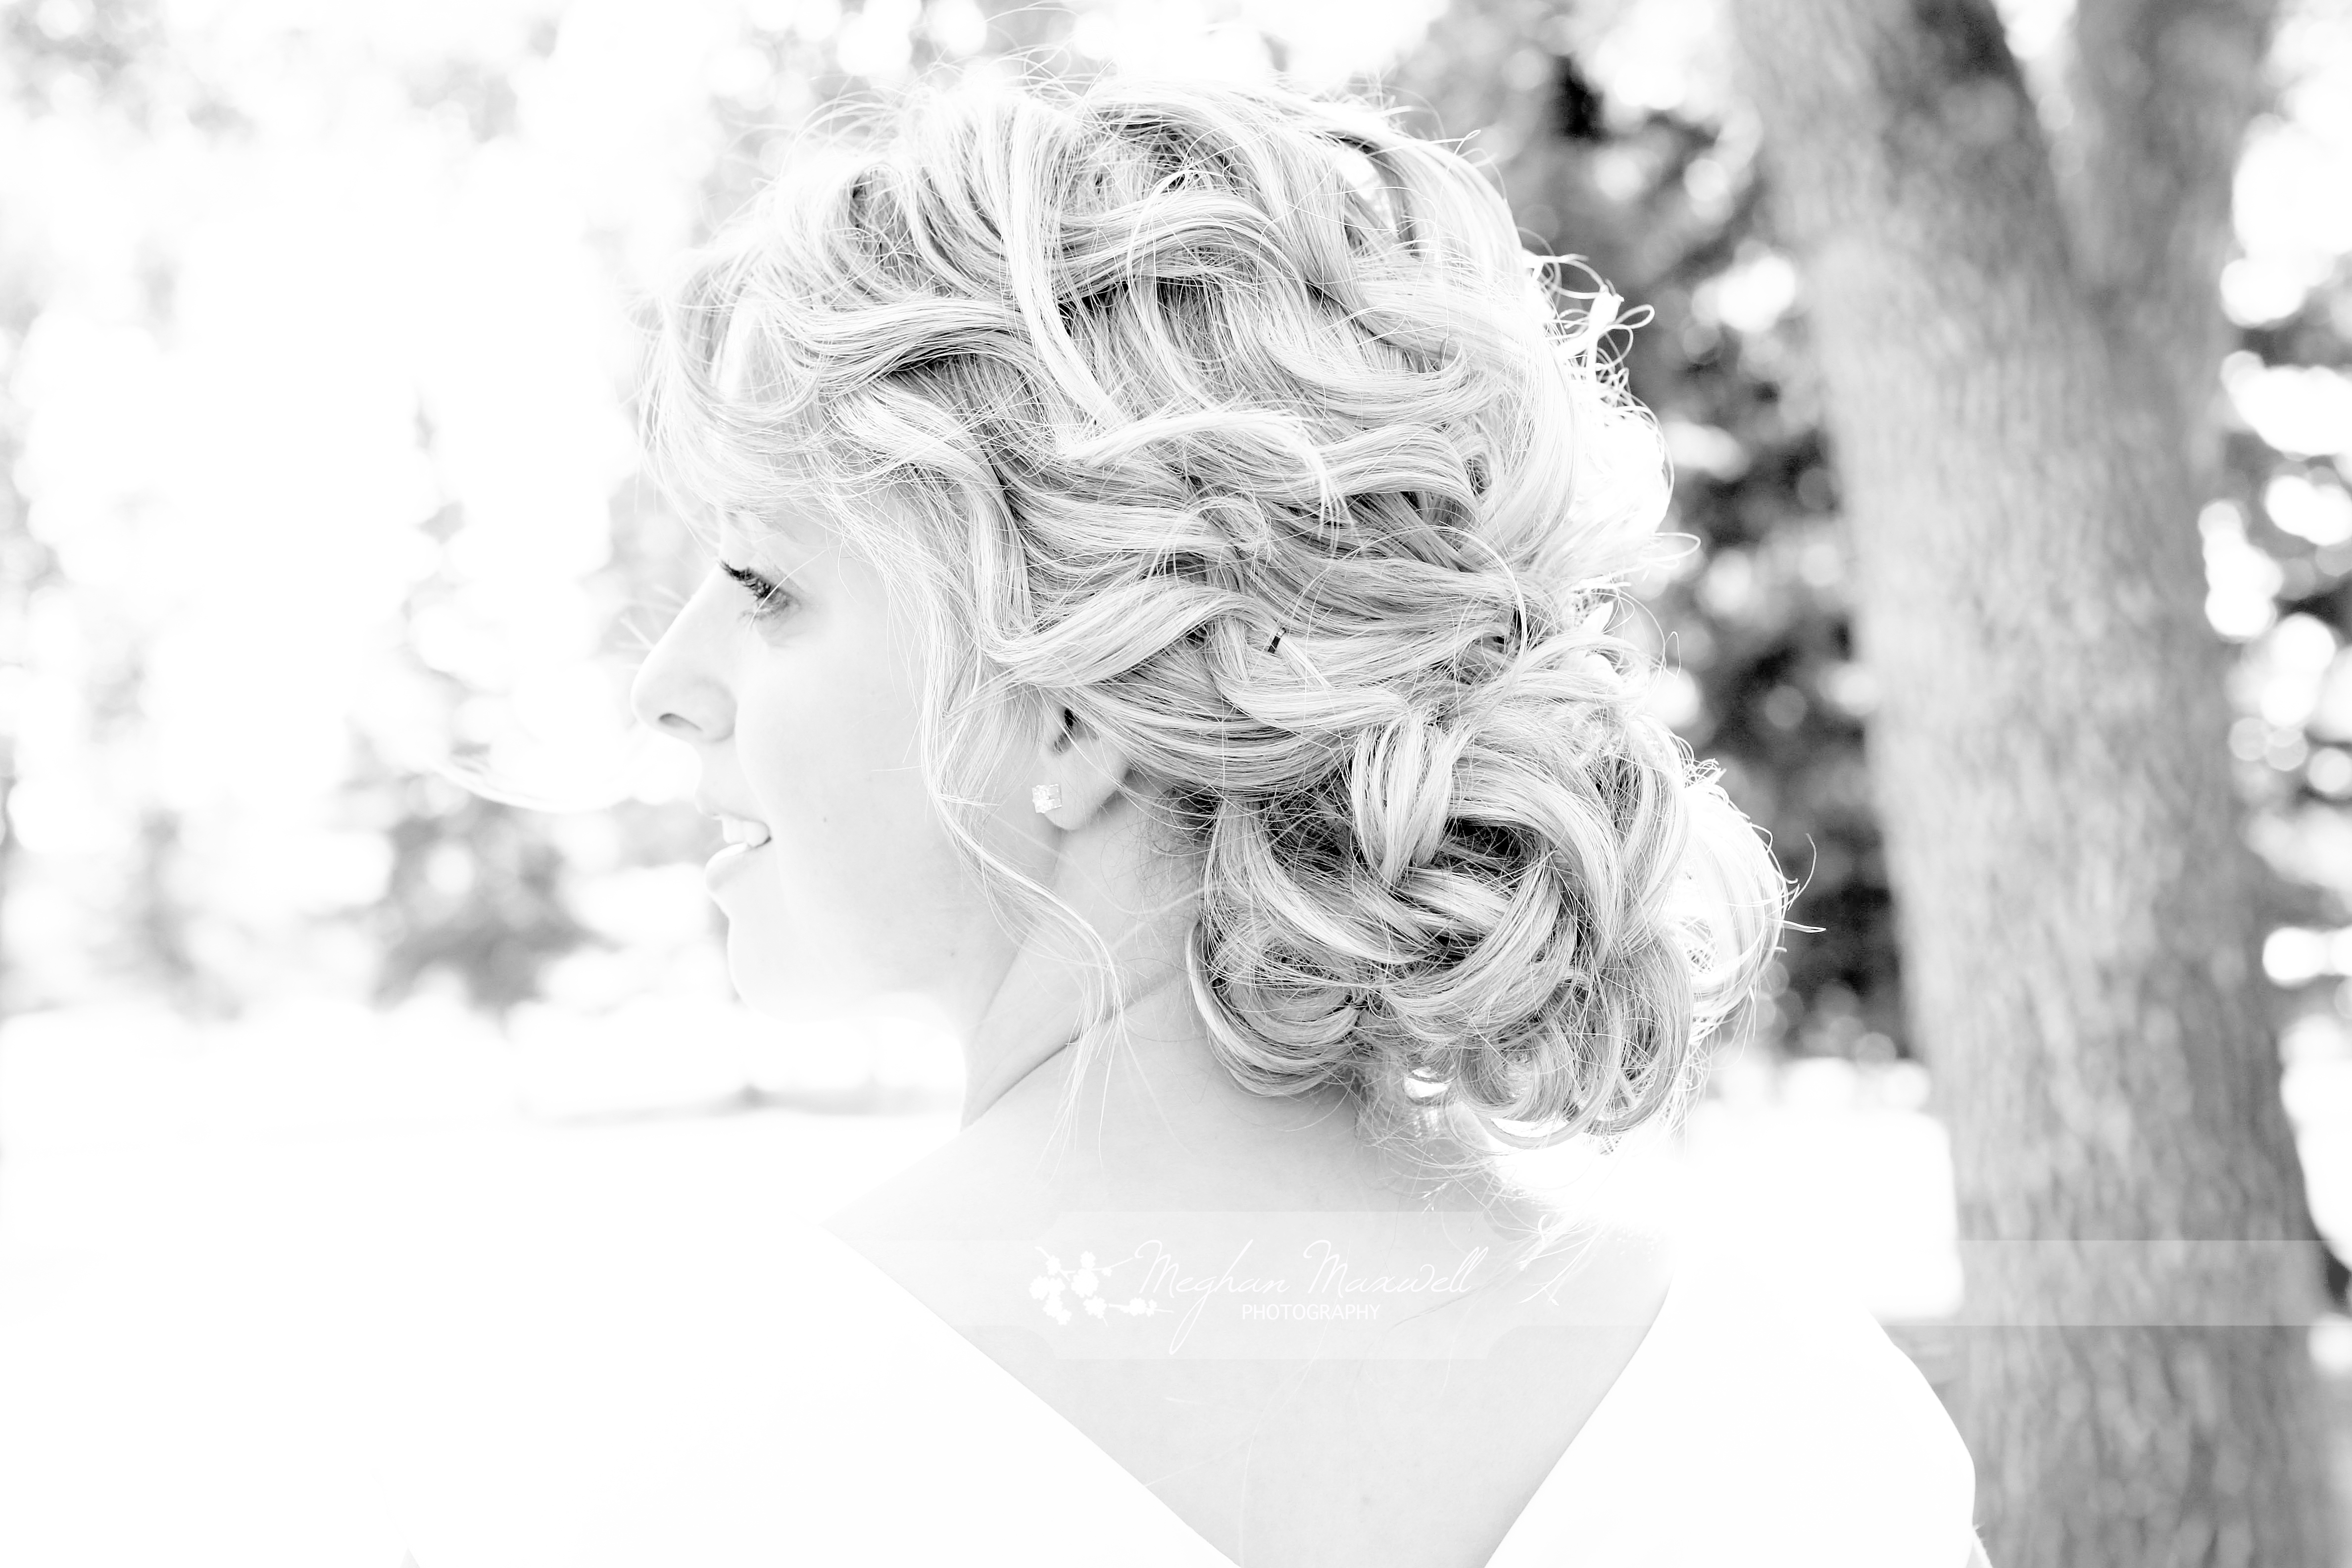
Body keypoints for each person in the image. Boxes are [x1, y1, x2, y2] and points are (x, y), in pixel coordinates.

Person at [388, 69, 1984, 1568]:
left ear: (1078, 702)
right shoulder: (1807, 1419)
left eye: (762, 585)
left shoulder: (688, 1451)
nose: (665, 684)